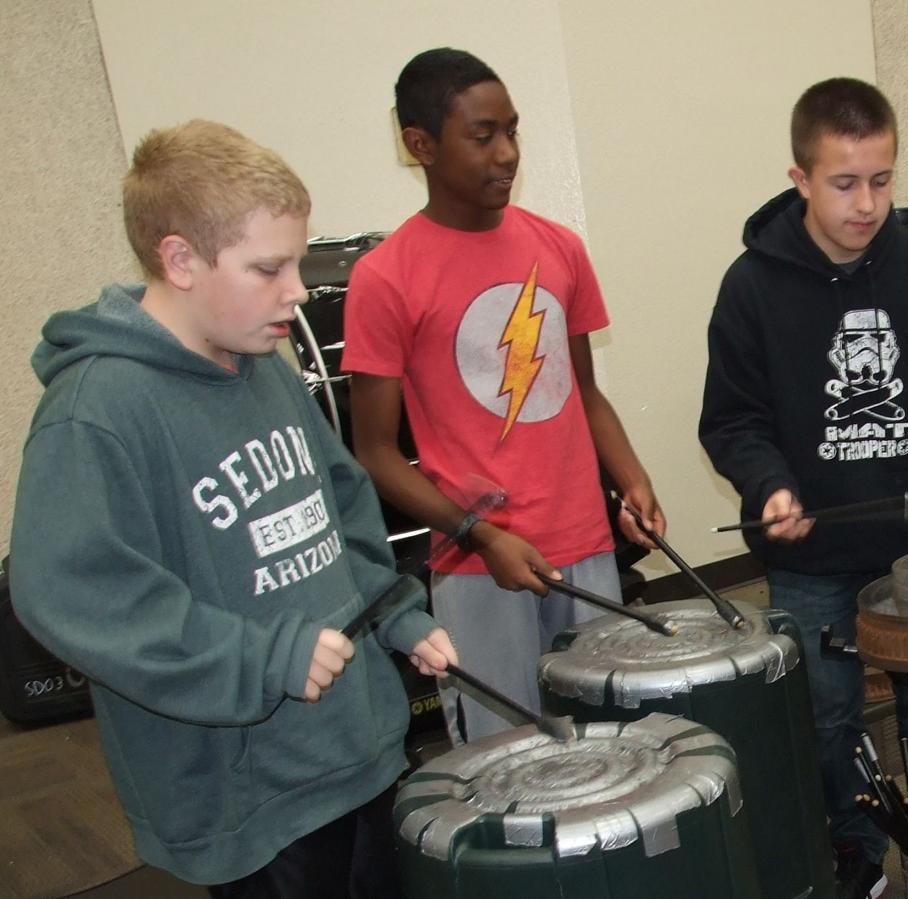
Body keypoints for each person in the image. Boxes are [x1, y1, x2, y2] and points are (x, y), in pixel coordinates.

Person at [9, 120, 456, 897]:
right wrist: (258, 657)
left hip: (354, 744)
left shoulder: (262, 361)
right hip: (250, 793)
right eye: (268, 267)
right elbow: (76, 593)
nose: (297, 289)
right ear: (179, 258)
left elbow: (337, 509)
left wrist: (394, 611)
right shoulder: (95, 412)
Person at [698, 78, 908, 899]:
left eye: (882, 179)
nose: (867, 202)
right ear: (800, 178)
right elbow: (732, 421)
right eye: (845, 182)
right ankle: (854, 855)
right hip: (810, 559)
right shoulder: (751, 286)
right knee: (828, 719)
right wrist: (769, 486)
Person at [342, 47, 665, 744]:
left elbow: (582, 392)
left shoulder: (561, 248)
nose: (507, 153)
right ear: (419, 145)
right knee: (510, 758)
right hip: (477, 562)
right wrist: (478, 532)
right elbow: (373, 452)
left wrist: (632, 479)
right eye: (482, 135)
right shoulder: (385, 277)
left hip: (582, 544)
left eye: (513, 130)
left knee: (612, 745)